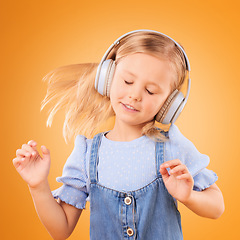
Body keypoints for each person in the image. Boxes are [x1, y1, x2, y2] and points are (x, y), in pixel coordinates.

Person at [13, 30, 224, 240]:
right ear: (107, 77)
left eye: (150, 91)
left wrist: (189, 197)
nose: (134, 95)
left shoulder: (171, 145)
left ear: (170, 105)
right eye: (128, 81)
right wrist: (38, 186)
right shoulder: (86, 154)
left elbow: (217, 207)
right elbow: (61, 230)